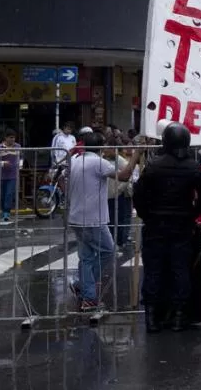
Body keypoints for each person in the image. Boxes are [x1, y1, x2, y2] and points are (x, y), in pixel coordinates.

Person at [132, 122, 201, 331]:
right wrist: (192, 214)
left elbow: (139, 194)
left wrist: (147, 215)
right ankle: (179, 316)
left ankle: (152, 318)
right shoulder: (192, 166)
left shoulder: (154, 165)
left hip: (156, 224)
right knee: (180, 270)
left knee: (153, 270)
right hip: (182, 225)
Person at [66, 132, 138, 312]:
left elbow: (62, 180)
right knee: (109, 250)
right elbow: (124, 176)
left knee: (87, 257)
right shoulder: (97, 162)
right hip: (92, 219)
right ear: (100, 147)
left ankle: (84, 289)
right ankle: (87, 293)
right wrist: (137, 154)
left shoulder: (75, 161)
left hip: (76, 217)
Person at [0, 129, 22, 223]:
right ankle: (2, 211)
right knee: (2, 195)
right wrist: (3, 163)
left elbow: (21, 157)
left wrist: (20, 165)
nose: (13, 139)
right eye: (10, 137)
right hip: (1, 176)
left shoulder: (18, 146)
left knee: (9, 194)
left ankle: (6, 213)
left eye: (14, 137)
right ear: (6, 137)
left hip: (13, 175)